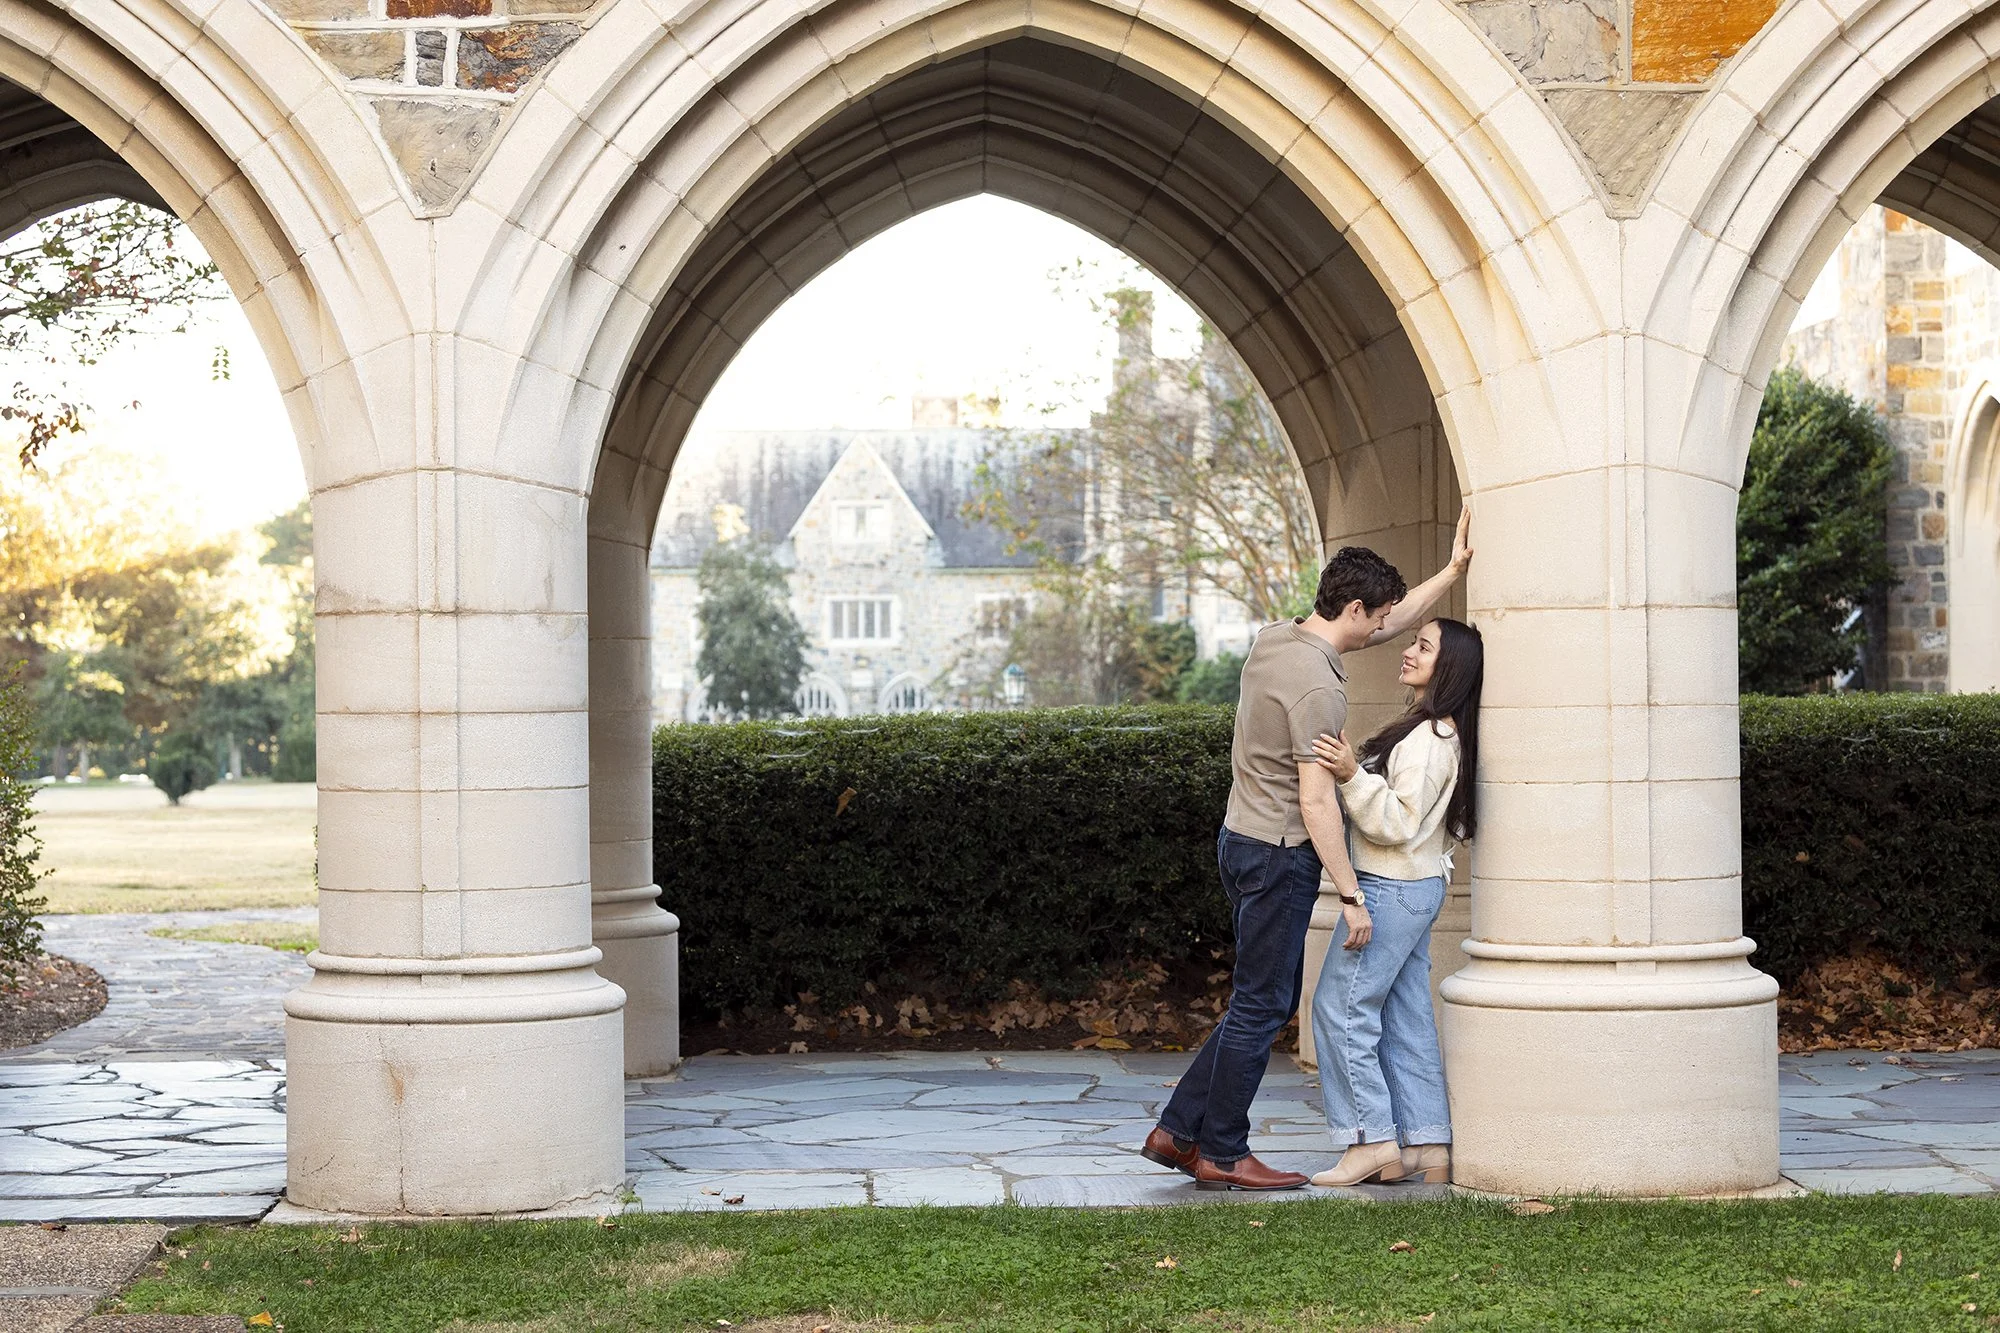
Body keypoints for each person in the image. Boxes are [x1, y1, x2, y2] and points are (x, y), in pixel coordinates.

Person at [1143, 508, 1473, 1191]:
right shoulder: (1320, 687)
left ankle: (1178, 1129)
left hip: (1239, 839)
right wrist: (1351, 894)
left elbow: (1390, 614)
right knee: (1264, 1005)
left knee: (1255, 1000)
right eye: (1378, 618)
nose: (1388, 631)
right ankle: (1224, 1149)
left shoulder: (1276, 641)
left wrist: (1452, 571)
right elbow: (1319, 802)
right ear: (1355, 607)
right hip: (1279, 852)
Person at [1305, 615, 1484, 1187]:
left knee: (1342, 1009)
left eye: (1423, 647)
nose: (1408, 651)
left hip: (1390, 888)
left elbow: (1396, 821)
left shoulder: (1433, 741)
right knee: (1404, 1017)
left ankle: (1369, 1141)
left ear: (1447, 668)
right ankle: (1427, 1145)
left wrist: (1351, 774)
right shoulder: (1432, 731)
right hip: (1413, 888)